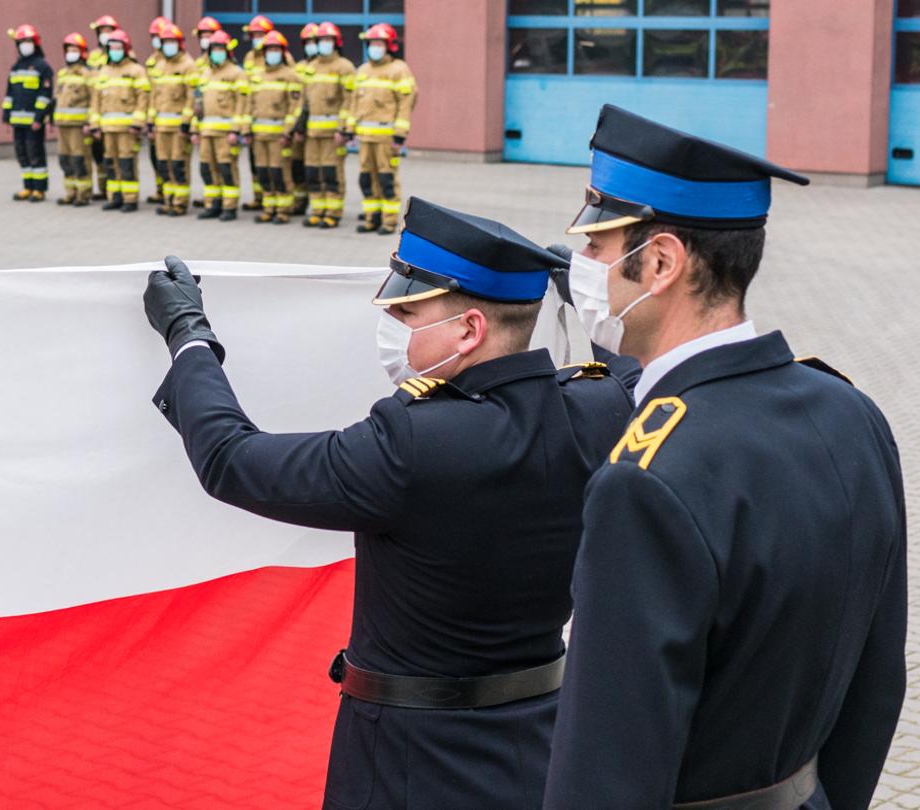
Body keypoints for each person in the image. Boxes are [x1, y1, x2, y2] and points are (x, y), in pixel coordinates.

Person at [141, 198, 635, 809]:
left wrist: (189, 337)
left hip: (412, 755)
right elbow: (631, 370)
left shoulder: (412, 440)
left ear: (469, 330)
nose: (392, 325)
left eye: (406, 311)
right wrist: (572, 293)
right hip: (539, 737)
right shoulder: (600, 408)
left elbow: (233, 462)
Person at [545, 105, 907, 810]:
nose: (582, 269)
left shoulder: (643, 481)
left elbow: (606, 761)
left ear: (659, 262)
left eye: (597, 247)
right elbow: (877, 680)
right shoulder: (850, 412)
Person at [350, 23, 414, 234]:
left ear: (389, 46)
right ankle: (371, 217)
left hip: (386, 136)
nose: (374, 47)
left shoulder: (399, 70)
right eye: (372, 43)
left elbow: (406, 104)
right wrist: (350, 127)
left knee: (386, 179)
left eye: (379, 43)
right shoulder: (362, 71)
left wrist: (399, 135)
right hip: (365, 137)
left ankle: (388, 221)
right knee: (367, 178)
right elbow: (354, 103)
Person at [295, 22, 355, 229]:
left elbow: (350, 100)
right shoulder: (311, 68)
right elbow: (303, 102)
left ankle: (333, 212)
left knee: (331, 173)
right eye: (321, 40)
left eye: (328, 40)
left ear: (336, 43)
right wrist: (299, 128)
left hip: (333, 134)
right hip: (312, 133)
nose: (324, 44)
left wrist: (343, 128)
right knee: (313, 172)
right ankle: (318, 210)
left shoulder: (344, 67)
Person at [87, 29, 151, 213]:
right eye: (112, 47)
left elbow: (143, 99)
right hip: (108, 129)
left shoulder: (136, 70)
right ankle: (114, 197)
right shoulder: (104, 71)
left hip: (127, 129)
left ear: (126, 48)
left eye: (118, 47)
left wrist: (137, 123)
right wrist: (95, 125)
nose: (115, 50)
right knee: (110, 163)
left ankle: (130, 199)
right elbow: (96, 100)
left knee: (127, 163)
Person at [243, 31, 301, 225]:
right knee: (264, 172)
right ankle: (269, 208)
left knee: (279, 173)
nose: (272, 53)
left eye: (276, 49)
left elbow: (295, 107)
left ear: (283, 52)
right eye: (269, 50)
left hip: (279, 137)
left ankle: (283, 210)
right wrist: (247, 130)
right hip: (259, 135)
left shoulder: (290, 76)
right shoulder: (257, 77)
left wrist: (288, 131)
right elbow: (249, 105)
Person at [191, 30, 247, 222]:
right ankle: (212, 204)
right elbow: (197, 104)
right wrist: (194, 129)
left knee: (226, 169)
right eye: (213, 48)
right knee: (207, 169)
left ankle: (229, 207)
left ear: (227, 50)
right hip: (206, 132)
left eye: (220, 48)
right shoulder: (205, 74)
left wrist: (235, 130)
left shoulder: (237, 74)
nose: (217, 52)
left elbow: (242, 104)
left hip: (226, 134)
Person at [146, 21, 197, 216]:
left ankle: (180, 202)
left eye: (171, 41)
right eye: (164, 41)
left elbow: (192, 97)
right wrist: (151, 122)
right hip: (161, 127)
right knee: (164, 164)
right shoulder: (159, 66)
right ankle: (168, 199)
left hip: (178, 127)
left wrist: (186, 123)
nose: (168, 45)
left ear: (179, 43)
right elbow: (154, 96)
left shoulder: (189, 65)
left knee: (178, 164)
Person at [2, 25, 54, 202]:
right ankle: (27, 186)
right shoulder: (16, 66)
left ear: (35, 43)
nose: (25, 45)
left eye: (28, 41)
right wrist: (6, 115)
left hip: (34, 122)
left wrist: (39, 118)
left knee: (35, 153)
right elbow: (9, 93)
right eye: (22, 42)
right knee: (22, 153)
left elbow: (45, 95)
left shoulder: (42, 66)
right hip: (18, 120)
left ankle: (39, 189)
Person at [239, 14, 279, 212]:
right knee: (256, 163)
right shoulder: (249, 58)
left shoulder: (281, 57)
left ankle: (274, 201)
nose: (256, 38)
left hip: (273, 121)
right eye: (254, 34)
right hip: (254, 118)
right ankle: (259, 197)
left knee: (274, 165)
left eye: (260, 34)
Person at [53, 33, 96, 206]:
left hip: (79, 126)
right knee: (65, 159)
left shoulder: (88, 74)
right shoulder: (62, 73)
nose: (71, 53)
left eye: (74, 49)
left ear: (82, 52)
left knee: (80, 159)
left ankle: (83, 194)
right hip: (63, 124)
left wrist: (89, 122)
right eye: (69, 49)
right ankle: (70, 192)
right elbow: (57, 97)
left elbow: (94, 100)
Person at [86, 15, 122, 202]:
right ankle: (103, 189)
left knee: (116, 156)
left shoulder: (123, 56)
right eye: (102, 32)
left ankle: (116, 192)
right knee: (98, 154)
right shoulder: (93, 56)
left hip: (113, 114)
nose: (105, 35)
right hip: (95, 110)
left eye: (109, 31)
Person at [142, 16, 174, 205]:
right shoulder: (151, 62)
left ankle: (173, 192)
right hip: (154, 116)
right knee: (156, 157)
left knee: (173, 159)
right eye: (153, 35)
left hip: (170, 118)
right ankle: (160, 189)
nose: (156, 39)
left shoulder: (175, 62)